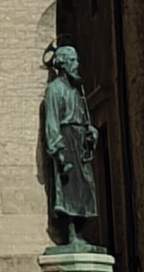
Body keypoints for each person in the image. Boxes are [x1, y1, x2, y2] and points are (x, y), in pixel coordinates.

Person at [40, 42, 101, 245]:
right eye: (73, 61)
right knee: (70, 190)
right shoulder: (55, 90)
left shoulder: (76, 91)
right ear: (64, 64)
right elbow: (52, 122)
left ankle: (80, 232)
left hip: (80, 142)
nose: (77, 65)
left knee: (87, 187)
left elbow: (82, 118)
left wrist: (90, 133)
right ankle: (72, 234)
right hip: (67, 143)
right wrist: (58, 151)